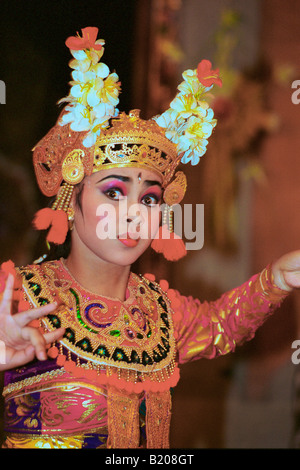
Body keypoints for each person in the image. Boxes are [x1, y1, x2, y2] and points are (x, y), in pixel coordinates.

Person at [0, 26, 299, 449]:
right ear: (72, 196)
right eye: (114, 192)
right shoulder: (17, 297)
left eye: (150, 198)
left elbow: (220, 325)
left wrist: (277, 279)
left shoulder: (159, 312)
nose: (134, 214)